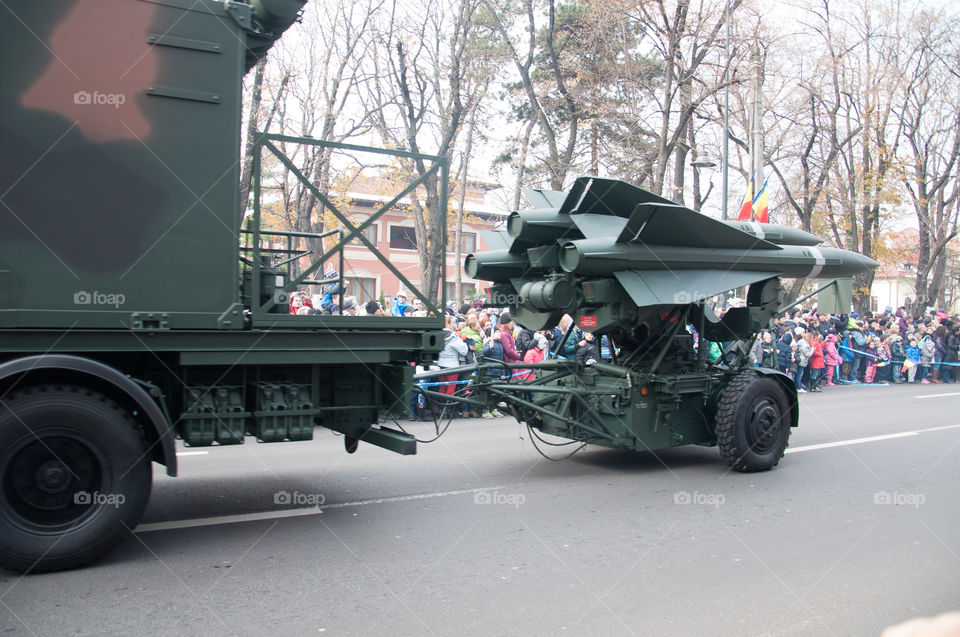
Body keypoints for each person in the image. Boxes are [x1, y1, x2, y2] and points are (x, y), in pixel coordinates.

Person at [436, 316, 468, 397]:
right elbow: (464, 351)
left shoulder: (436, 334)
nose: (455, 325)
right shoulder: (453, 336)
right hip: (452, 365)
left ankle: (440, 407)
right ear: (447, 323)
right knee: (451, 388)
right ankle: (447, 407)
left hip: (440, 364)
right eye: (453, 323)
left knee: (442, 387)